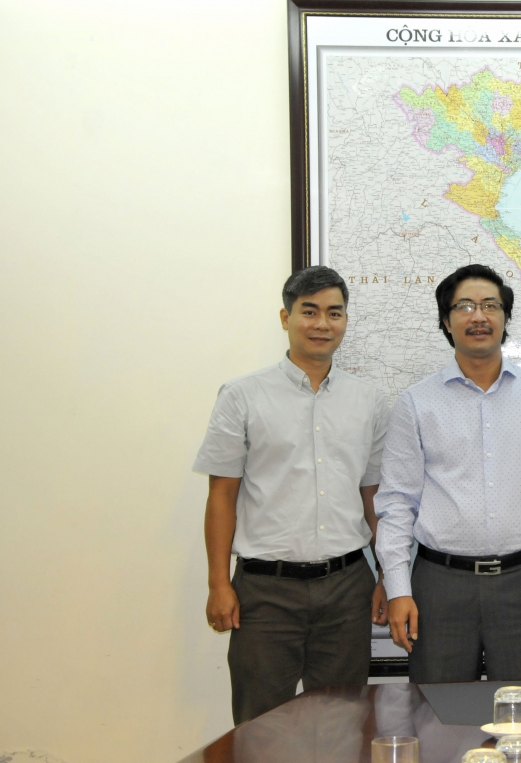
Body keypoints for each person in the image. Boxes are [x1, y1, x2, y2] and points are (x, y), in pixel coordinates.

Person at [194, 266, 390, 724]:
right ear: (286, 318)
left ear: (345, 321)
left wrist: (387, 575)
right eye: (309, 311)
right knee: (261, 727)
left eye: (334, 313)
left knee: (343, 723)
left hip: (347, 587)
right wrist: (218, 583)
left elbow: (375, 497)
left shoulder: (370, 401)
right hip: (265, 591)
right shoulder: (241, 396)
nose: (322, 323)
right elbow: (221, 495)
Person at [374, 263, 521, 683]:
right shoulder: (416, 403)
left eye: (491, 306)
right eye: (465, 306)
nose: (479, 316)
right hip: (439, 585)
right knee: (439, 712)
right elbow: (397, 503)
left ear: (505, 318)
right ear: (446, 321)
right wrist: (398, 590)